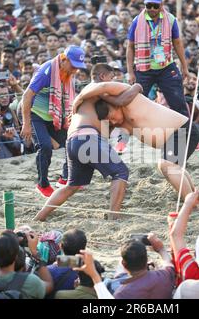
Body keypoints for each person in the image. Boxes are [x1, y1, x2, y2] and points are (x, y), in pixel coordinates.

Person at [33, 65, 142, 222]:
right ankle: (113, 218)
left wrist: (112, 125)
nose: (115, 82)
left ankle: (39, 217)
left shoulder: (92, 99)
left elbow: (104, 133)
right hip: (87, 137)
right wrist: (137, 86)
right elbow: (122, 100)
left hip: (73, 140)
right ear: (103, 76)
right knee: (120, 172)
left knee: (71, 185)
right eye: (112, 77)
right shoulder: (98, 89)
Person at [72, 81, 199, 201]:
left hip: (182, 129)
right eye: (110, 122)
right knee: (172, 167)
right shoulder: (120, 123)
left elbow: (102, 86)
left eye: (112, 117)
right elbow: (103, 136)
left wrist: (79, 98)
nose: (114, 122)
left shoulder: (130, 100)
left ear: (115, 106)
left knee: (167, 165)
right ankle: (193, 196)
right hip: (171, 138)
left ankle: (192, 203)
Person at [20, 45, 87, 197]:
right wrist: (26, 123)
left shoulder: (68, 73)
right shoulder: (47, 71)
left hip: (54, 115)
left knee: (73, 141)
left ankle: (65, 178)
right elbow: (26, 96)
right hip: (35, 113)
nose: (75, 70)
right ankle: (42, 184)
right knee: (45, 147)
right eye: (73, 66)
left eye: (78, 67)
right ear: (64, 60)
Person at [126, 0, 189, 117]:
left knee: (178, 104)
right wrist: (130, 72)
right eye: (149, 6)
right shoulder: (136, 21)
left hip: (166, 67)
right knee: (135, 104)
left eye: (155, 6)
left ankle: (182, 135)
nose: (152, 9)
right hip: (144, 69)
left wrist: (185, 67)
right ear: (144, 5)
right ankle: (135, 134)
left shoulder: (171, 19)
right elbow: (130, 47)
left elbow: (178, 44)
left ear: (161, 5)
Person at [0, 230, 53, 299]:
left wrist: (0, 247)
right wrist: (35, 252)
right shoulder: (30, 282)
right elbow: (49, 285)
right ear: (16, 256)